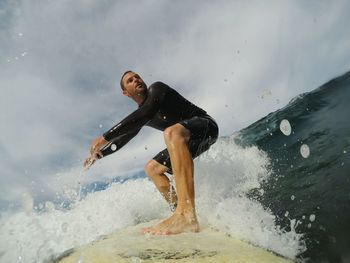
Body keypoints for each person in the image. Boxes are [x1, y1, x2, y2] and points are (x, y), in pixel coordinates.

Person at [84, 71, 218, 235]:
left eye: (137, 77)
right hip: (188, 142)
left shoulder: (157, 89)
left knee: (171, 132)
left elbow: (146, 112)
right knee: (152, 169)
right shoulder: (142, 115)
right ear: (126, 93)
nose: (136, 80)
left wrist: (104, 137)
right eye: (130, 80)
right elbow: (122, 139)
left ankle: (187, 215)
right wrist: (100, 155)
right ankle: (177, 212)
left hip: (206, 127)